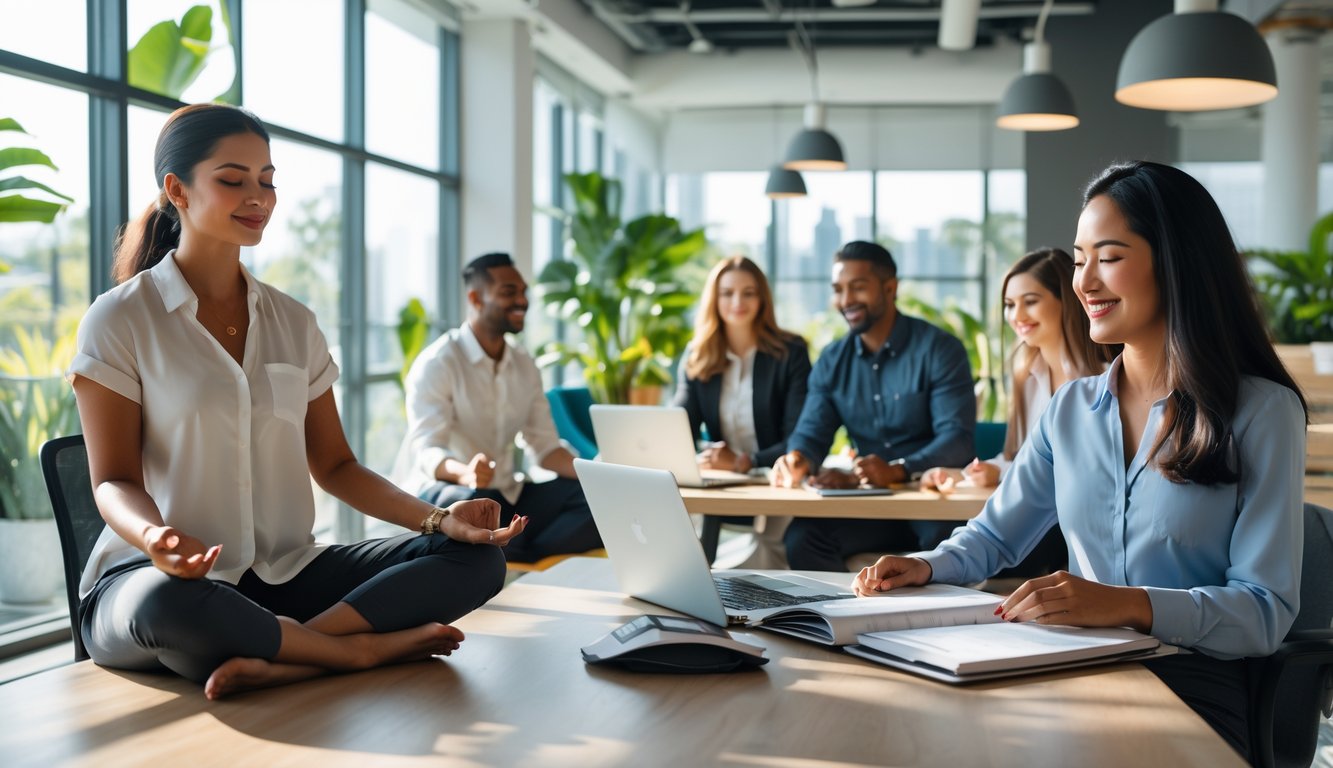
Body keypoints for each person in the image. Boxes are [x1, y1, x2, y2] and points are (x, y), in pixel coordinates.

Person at [852, 161, 1308, 759]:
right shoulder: (1070, 409)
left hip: (1193, 686)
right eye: (1078, 259)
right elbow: (993, 537)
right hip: (1073, 667)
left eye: (1109, 257)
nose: (1083, 282)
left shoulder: (1262, 412)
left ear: (1177, 263)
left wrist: (1127, 605)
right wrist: (927, 566)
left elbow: (1263, 612)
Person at [70, 104, 522, 701]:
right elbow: (113, 481)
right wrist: (155, 538)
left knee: (478, 561)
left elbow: (335, 466)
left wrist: (442, 520)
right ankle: (353, 651)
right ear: (176, 190)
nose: (258, 196)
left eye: (267, 179)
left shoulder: (293, 321)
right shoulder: (121, 318)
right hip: (162, 581)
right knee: (172, 608)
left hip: (283, 574)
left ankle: (286, 653)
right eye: (233, 179)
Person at [773, 241, 976, 571]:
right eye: (838, 289)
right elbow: (811, 433)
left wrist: (897, 469)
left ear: (890, 288)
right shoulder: (832, 361)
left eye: (858, 287)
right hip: (870, 503)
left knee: (945, 540)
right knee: (802, 538)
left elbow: (957, 440)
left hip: (929, 499)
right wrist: (799, 459)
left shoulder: (940, 350)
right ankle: (840, 620)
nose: (846, 300)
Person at [397, 252, 601, 564]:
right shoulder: (438, 363)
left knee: (599, 500)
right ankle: (508, 545)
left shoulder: (524, 364)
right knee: (475, 511)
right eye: (509, 292)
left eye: (523, 292)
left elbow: (545, 448)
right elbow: (428, 451)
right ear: (476, 298)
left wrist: (597, 474)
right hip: (449, 492)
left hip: (507, 494)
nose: (522, 301)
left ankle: (512, 549)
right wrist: (465, 472)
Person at [919, 248, 1116, 492]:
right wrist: (964, 474)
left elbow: (1081, 470)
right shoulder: (1027, 376)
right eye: (1010, 305)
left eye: (1031, 301)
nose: (1017, 315)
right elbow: (1020, 459)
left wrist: (1003, 472)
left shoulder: (1105, 379)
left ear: (1067, 300)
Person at [672, 256, 811, 567]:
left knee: (769, 553)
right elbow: (679, 424)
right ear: (714, 299)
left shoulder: (790, 353)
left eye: (749, 292)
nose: (738, 301)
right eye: (727, 293)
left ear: (762, 298)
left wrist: (743, 462)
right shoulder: (699, 356)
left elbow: (799, 435)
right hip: (721, 481)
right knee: (677, 538)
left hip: (777, 479)